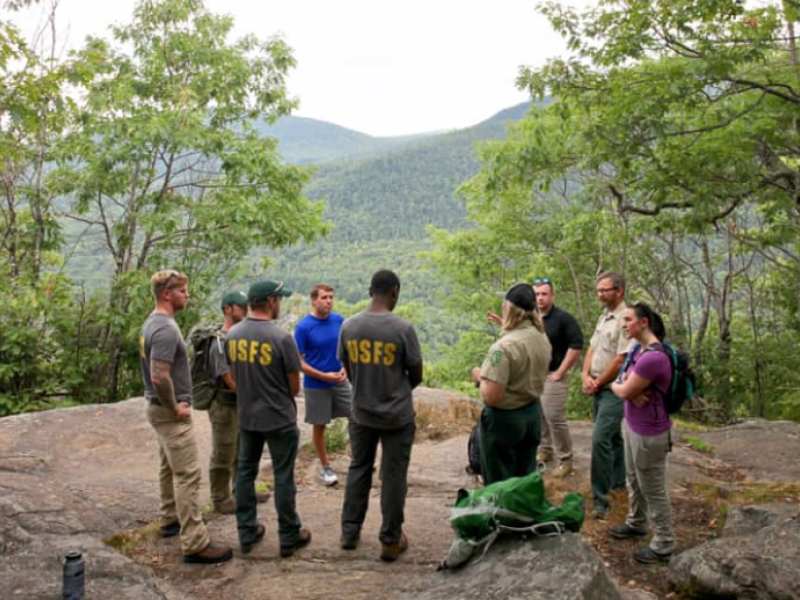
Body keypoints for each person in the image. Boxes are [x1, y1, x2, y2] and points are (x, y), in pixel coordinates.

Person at [139, 269, 232, 564]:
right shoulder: (166, 329)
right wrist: (176, 406)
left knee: (168, 467)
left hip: (156, 409)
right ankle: (195, 542)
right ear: (167, 294)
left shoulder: (151, 323)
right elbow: (158, 375)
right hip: (168, 411)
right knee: (188, 475)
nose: (187, 295)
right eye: (182, 291)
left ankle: (169, 519)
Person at [338, 269, 423, 562]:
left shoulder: (349, 327)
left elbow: (348, 370)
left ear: (369, 290)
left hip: (361, 413)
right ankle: (390, 540)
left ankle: (349, 532)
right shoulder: (403, 329)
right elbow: (417, 373)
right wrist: (397, 390)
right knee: (393, 474)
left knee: (359, 467)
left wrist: (366, 390)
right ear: (395, 292)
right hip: (397, 416)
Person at [225, 279, 311, 557]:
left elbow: (235, 377)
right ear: (272, 302)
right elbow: (294, 386)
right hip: (279, 418)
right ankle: (288, 536)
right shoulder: (282, 338)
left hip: (248, 416)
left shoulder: (233, 335)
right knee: (283, 476)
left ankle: (246, 533)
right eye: (280, 299)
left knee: (245, 473)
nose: (281, 304)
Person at [610, 302, 675, 564]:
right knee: (633, 480)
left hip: (650, 434)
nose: (624, 324)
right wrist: (626, 387)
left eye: (627, 320)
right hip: (633, 425)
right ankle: (636, 522)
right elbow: (624, 380)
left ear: (643, 322)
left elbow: (622, 389)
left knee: (653, 488)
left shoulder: (653, 357)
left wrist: (625, 389)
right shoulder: (637, 348)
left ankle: (663, 545)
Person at [471, 283, 551, 486]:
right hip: (531, 414)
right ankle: (522, 515)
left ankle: (502, 517)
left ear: (510, 309)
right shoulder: (541, 337)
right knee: (524, 477)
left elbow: (492, 396)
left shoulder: (502, 348)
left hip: (505, 421)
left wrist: (480, 377)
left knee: (499, 480)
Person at [205, 290, 270, 514]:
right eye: (241, 306)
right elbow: (229, 379)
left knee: (242, 451)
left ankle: (242, 490)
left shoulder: (238, 338)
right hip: (224, 404)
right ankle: (220, 498)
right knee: (223, 452)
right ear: (228, 309)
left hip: (240, 403)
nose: (245, 310)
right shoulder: (219, 342)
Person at [581, 270, 633, 519]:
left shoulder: (626, 318)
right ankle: (619, 484)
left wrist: (599, 381)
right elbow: (592, 348)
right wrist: (584, 376)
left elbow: (621, 358)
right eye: (598, 290)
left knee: (600, 439)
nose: (600, 294)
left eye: (605, 290)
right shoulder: (605, 316)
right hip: (598, 386)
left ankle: (600, 499)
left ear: (619, 291)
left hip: (613, 388)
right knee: (613, 439)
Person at [294, 283, 352, 486]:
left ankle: (358, 457)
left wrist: (345, 367)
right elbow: (299, 362)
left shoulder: (338, 321)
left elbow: (346, 348)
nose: (328, 301)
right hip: (316, 384)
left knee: (356, 414)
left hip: (339, 380)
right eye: (324, 297)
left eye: (330, 297)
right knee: (320, 425)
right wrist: (323, 375)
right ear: (313, 300)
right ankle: (325, 466)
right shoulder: (303, 327)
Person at [532, 277, 584, 478]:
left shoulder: (563, 319)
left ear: (552, 295)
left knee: (555, 417)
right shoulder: (532, 317)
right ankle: (545, 449)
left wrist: (561, 371)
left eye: (544, 293)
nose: (540, 298)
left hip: (553, 375)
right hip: (534, 375)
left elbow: (576, 345)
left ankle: (566, 459)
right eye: (536, 294)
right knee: (539, 415)